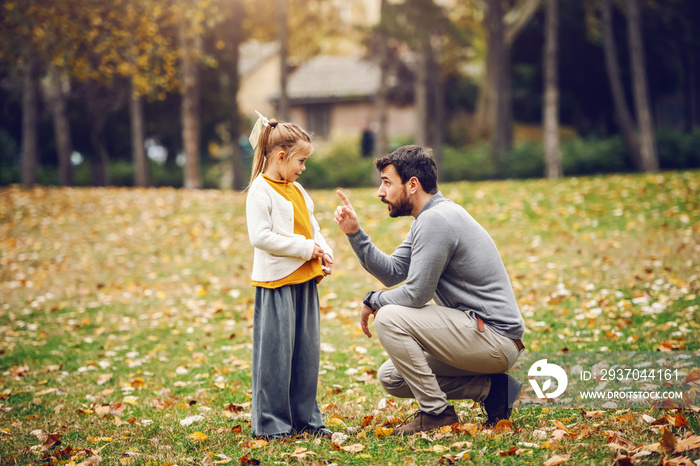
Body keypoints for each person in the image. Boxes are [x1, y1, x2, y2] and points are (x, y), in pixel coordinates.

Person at [333, 145, 525, 435]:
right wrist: (355, 234)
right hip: (479, 335)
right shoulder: (431, 217)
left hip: (494, 338)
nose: (380, 192)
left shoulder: (437, 220)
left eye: (387, 182)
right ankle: (494, 389)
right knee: (392, 377)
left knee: (388, 317)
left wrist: (375, 301)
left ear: (412, 184)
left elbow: (416, 294)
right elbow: (392, 271)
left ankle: (436, 413)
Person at [245, 111, 334, 439]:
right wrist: (306, 248)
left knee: (306, 355)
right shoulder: (261, 191)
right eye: (301, 160)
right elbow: (261, 237)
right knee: (276, 357)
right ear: (281, 157)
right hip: (276, 284)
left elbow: (314, 229)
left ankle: (307, 420)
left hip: (305, 283)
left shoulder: (299, 190)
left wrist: (324, 250)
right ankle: (271, 424)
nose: (303, 167)